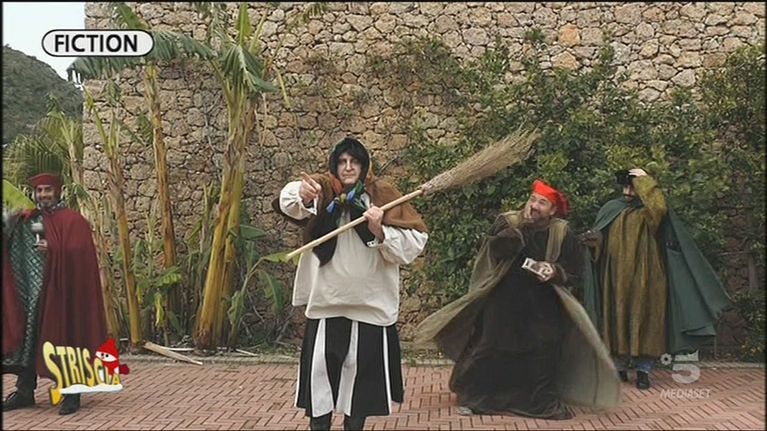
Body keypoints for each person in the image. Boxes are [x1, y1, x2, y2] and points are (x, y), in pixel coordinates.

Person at [416, 180, 620, 420]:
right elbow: (495, 250)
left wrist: (554, 271)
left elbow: (574, 269)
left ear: (552, 210)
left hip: (542, 303)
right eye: (532, 200)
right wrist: (519, 231)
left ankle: (538, 403)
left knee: (543, 349)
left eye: (542, 203)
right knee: (489, 347)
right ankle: (477, 399)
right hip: (503, 298)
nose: (534, 206)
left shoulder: (561, 232)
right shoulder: (509, 222)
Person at [272, 137, 429, 430]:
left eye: (354, 162)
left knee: (360, 395)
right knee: (319, 390)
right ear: (334, 165)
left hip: (369, 308)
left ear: (364, 166)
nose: (348, 167)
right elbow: (289, 201)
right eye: (342, 162)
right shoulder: (322, 190)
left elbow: (415, 242)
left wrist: (380, 230)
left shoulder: (383, 195)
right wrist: (303, 194)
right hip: (325, 306)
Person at [581, 168, 731, 390]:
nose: (628, 191)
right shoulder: (611, 209)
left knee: (647, 319)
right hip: (615, 278)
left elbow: (659, 207)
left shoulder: (650, 212)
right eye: (626, 186)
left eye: (633, 186)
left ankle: (644, 370)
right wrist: (595, 243)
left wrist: (644, 179)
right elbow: (601, 238)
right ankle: (620, 367)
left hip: (648, 276)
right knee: (616, 318)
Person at [3, 172, 108, 415]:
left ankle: (72, 393)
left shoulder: (73, 221)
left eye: (48, 190)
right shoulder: (28, 219)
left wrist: (53, 248)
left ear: (58, 191)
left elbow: (79, 252)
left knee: (65, 338)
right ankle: (24, 391)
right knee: (30, 338)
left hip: (62, 294)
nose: (43, 195)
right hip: (31, 295)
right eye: (39, 191)